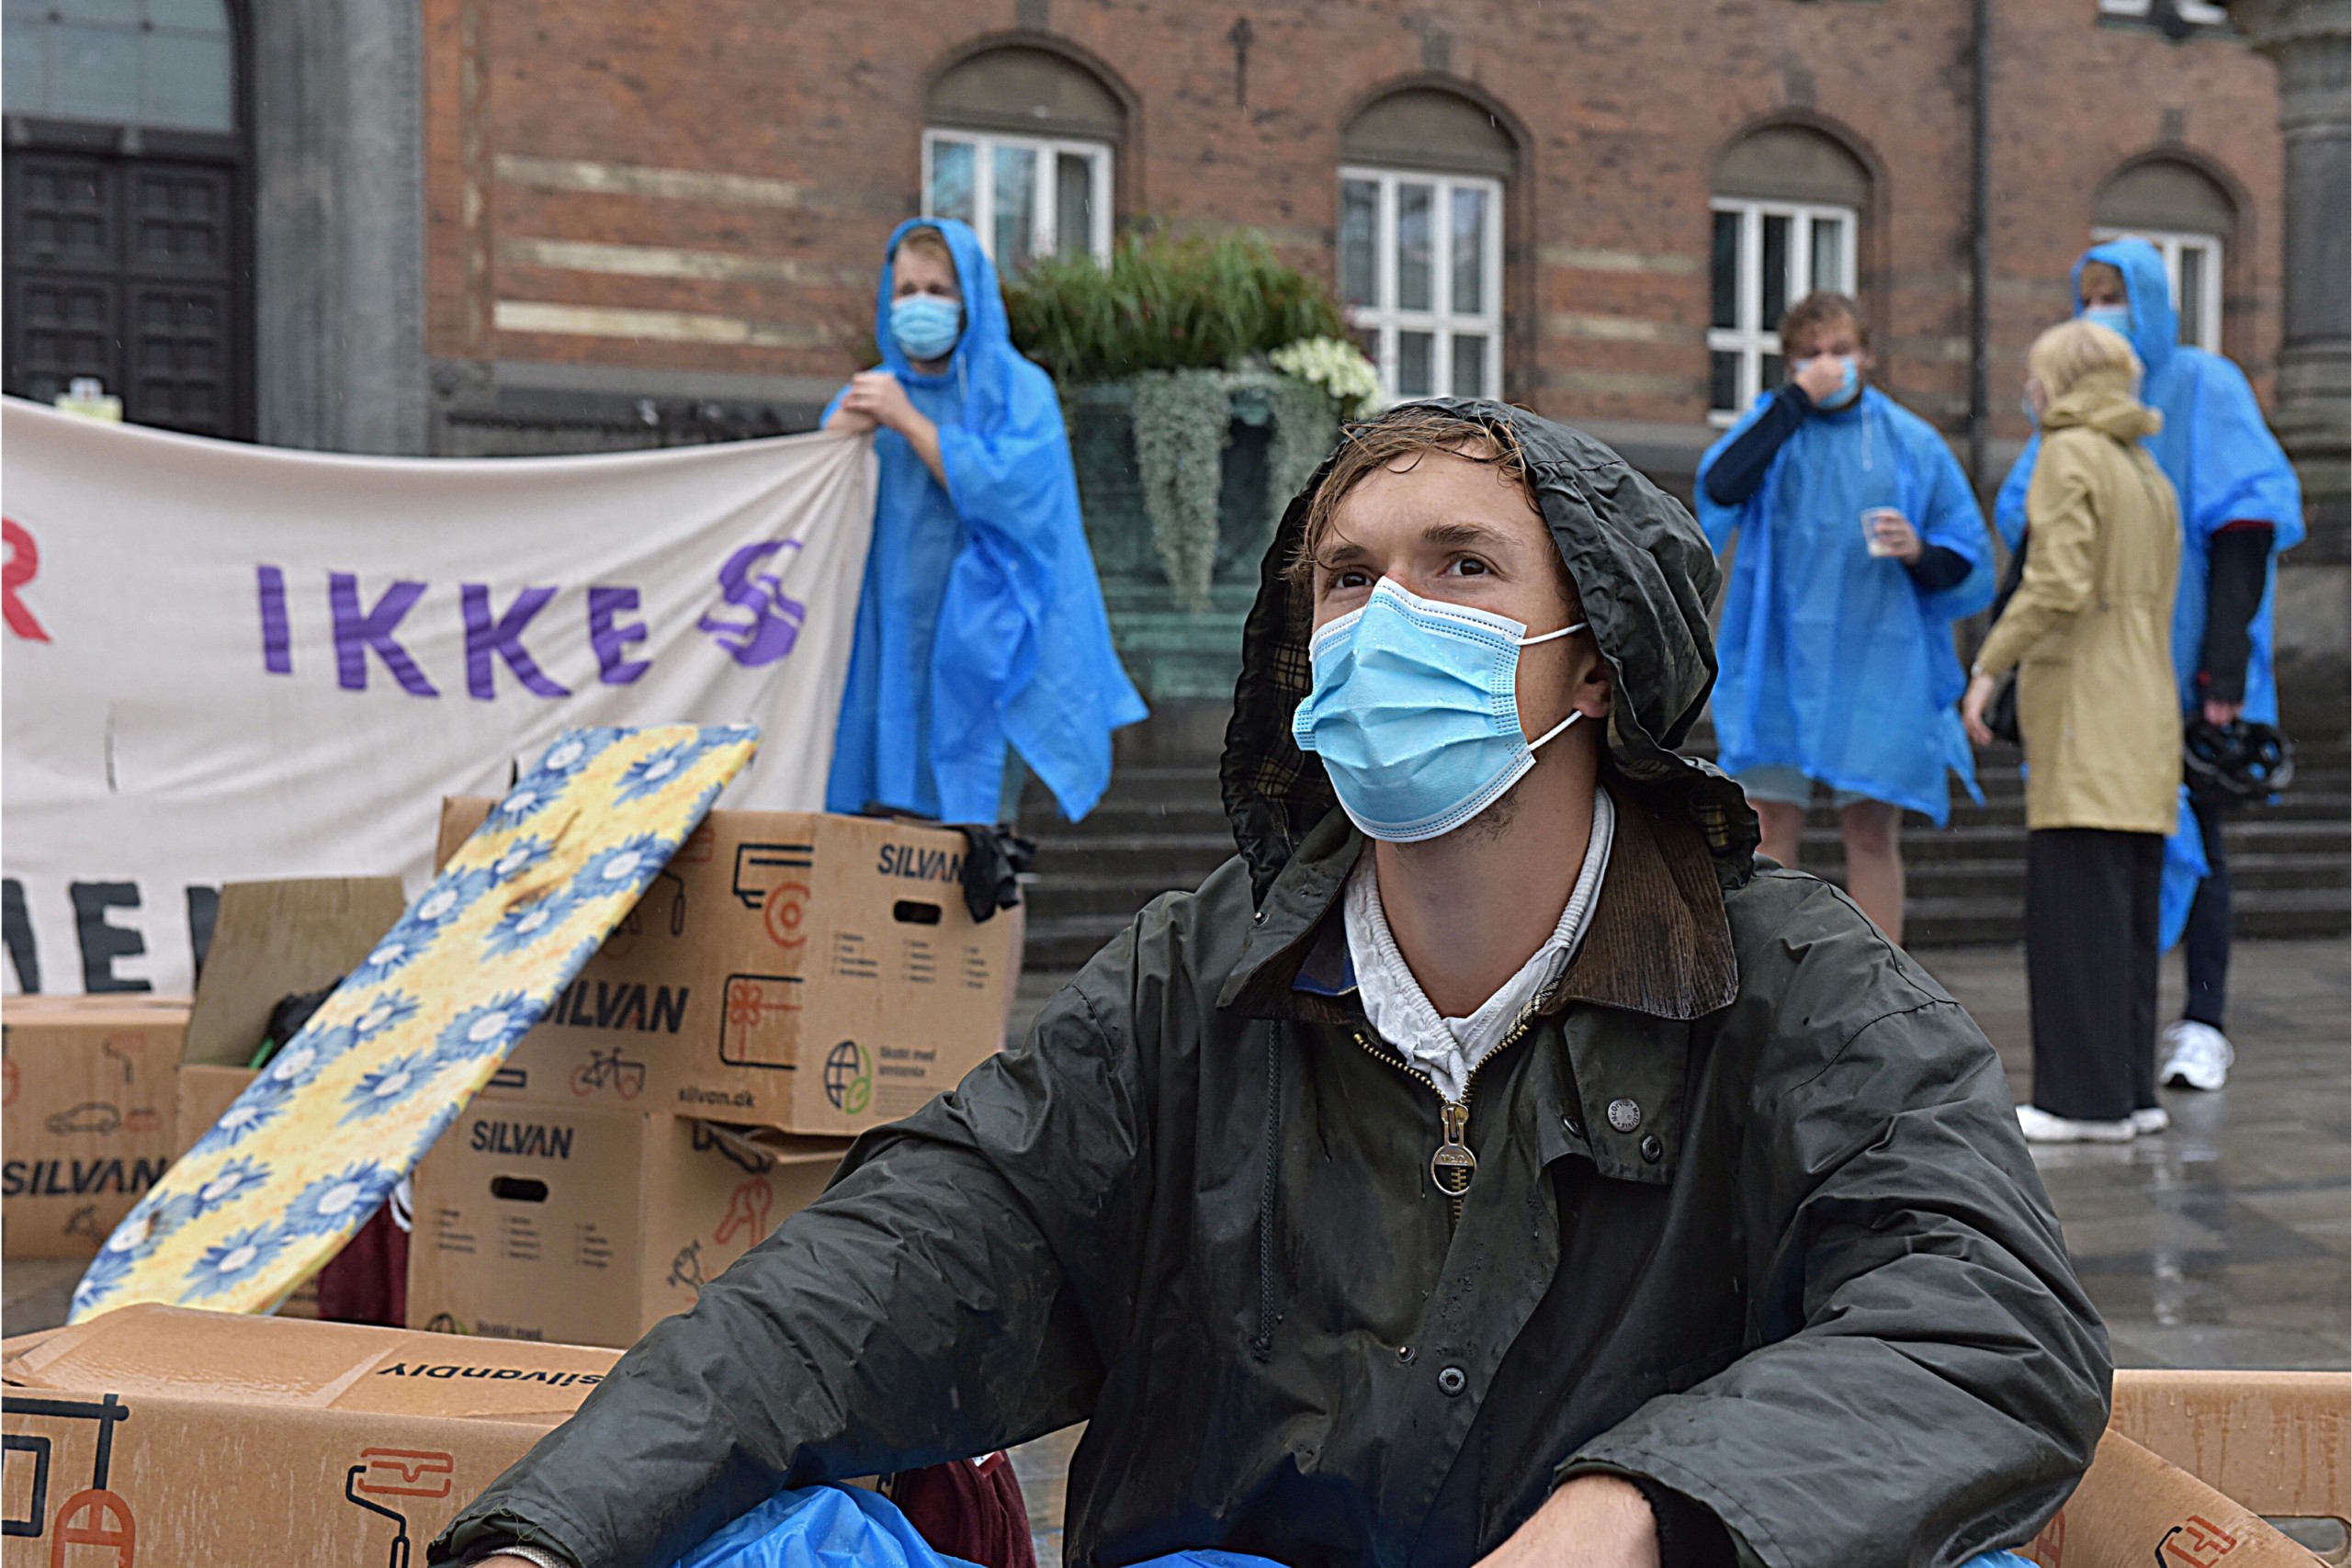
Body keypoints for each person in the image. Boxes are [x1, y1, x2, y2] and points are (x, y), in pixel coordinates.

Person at [438, 402, 2108, 1568]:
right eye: (1347, 575)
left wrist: (1638, 1512)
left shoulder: (1796, 991)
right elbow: (879, 1275)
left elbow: (1987, 1321)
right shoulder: (1194, 981)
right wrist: (553, 1529)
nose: (1389, 614)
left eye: (1462, 565)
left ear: (1593, 660)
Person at [1994, 238, 2304, 1092]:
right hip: (2094, 671)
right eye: (2088, 294)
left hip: (2189, 656)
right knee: (2121, 849)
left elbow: (2245, 529)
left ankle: (2203, 1018)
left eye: (2115, 295)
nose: (2100, 310)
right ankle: (2118, 1045)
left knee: (2198, 836)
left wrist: (2223, 673)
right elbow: (2033, 537)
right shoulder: (2073, 410)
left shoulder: (2205, 386)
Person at [822, 219, 1146, 827]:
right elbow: (810, 501)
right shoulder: (871, 392)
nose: (920, 305)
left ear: (970, 298)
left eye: (938, 290)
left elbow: (1016, 492)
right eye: (906, 290)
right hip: (888, 640)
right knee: (888, 828)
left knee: (983, 845)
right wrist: (836, 439)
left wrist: (911, 424)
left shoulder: (1019, 391)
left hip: (987, 646)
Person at [1696, 292, 1996, 943]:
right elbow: (1720, 486)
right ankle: (1775, 982)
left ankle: (1883, 986)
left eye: (1841, 351)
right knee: (1768, 821)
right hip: (1780, 648)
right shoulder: (1774, 425)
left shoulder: (1911, 442)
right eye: (1810, 354)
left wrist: (1919, 550)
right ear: (1789, 364)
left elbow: (1966, 556)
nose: (1828, 365)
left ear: (1868, 355)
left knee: (1870, 825)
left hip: (1877, 658)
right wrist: (1796, 402)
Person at [1964, 321, 2183, 1144]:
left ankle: (2078, 1102)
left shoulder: (2069, 454)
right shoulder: (2143, 467)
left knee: (2072, 914)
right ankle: (2129, 1092)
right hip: (2146, 702)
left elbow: (2056, 581)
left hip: (2088, 705)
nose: (2029, 387)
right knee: (2125, 915)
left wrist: (1990, 664)